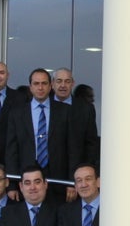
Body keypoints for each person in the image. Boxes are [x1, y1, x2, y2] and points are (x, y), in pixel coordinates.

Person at [6, 69, 78, 200]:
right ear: (30, 87)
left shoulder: (65, 111)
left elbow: (73, 149)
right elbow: (11, 150)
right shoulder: (17, 113)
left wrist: (71, 182)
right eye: (36, 83)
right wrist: (12, 185)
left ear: (50, 86)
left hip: (58, 180)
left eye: (44, 83)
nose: (40, 87)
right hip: (27, 178)